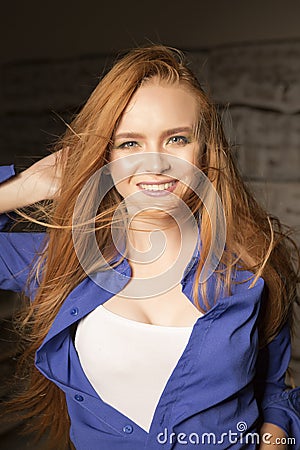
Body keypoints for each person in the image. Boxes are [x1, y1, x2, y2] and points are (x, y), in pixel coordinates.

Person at [0, 45, 299, 450]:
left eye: (176, 138)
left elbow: (274, 390)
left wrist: (275, 441)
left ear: (205, 149)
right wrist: (23, 188)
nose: (155, 164)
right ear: (103, 154)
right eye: (129, 144)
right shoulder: (56, 258)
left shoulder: (255, 262)